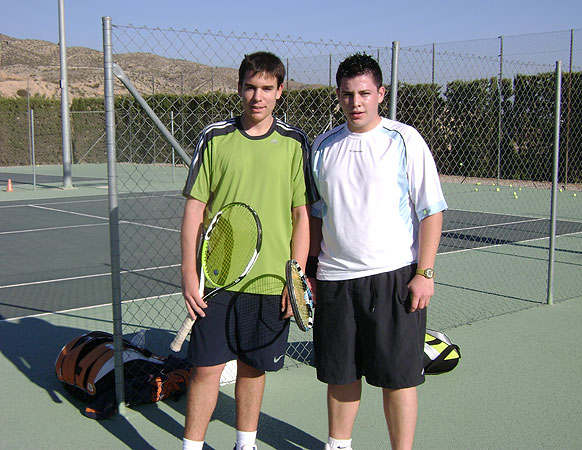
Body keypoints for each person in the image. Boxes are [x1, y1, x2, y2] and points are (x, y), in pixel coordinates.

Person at [307, 53, 447, 450]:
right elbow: (317, 216)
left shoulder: (405, 139)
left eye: (365, 93)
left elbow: (431, 211)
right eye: (348, 94)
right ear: (338, 95)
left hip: (395, 277)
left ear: (381, 94)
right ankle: (338, 445)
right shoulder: (322, 146)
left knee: (398, 377)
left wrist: (425, 273)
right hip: (336, 280)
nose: (356, 102)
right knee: (340, 374)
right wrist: (314, 271)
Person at [180, 51, 317, 450]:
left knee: (253, 370)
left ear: (280, 92)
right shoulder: (215, 137)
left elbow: (302, 216)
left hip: (271, 281)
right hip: (216, 281)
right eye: (251, 87)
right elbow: (194, 210)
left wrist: (295, 279)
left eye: (267, 88)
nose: (258, 96)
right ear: (239, 88)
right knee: (204, 370)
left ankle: (246, 443)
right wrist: (189, 272)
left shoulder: (294, 143)